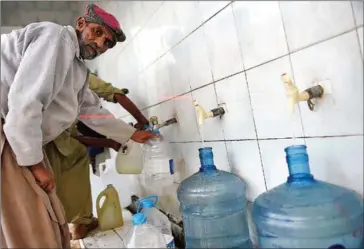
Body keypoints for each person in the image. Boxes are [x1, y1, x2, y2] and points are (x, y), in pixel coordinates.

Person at [0, 3, 155, 248]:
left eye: (108, 42)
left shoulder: (78, 70)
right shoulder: (57, 38)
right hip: (9, 137)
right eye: (98, 31)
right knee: (30, 223)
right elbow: (25, 103)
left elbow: (92, 112)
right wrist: (34, 163)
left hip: (18, 140)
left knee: (45, 216)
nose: (101, 42)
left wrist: (132, 134)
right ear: (81, 24)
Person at [45, 73, 150, 240]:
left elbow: (75, 134)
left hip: (52, 140)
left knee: (57, 186)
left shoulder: (70, 90)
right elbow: (113, 96)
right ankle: (78, 223)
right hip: (43, 141)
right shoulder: (74, 71)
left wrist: (116, 141)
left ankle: (75, 224)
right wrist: (140, 125)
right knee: (66, 174)